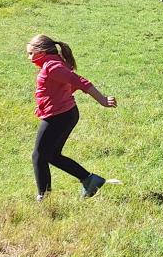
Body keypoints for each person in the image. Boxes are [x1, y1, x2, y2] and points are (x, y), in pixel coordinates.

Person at [28, 35, 116, 200]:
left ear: (42, 51)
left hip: (59, 116)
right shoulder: (53, 64)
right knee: (52, 155)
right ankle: (90, 180)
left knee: (39, 155)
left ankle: (44, 197)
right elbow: (66, 85)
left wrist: (103, 100)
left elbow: (80, 81)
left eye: (31, 53)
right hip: (65, 113)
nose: (29, 57)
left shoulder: (52, 66)